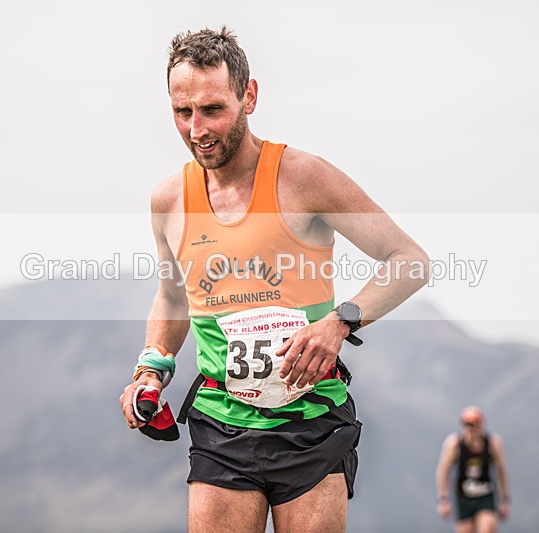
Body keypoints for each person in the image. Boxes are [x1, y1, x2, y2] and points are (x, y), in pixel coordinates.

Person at [119, 27, 428, 533]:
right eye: (182, 112)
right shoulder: (169, 200)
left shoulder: (304, 178)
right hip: (221, 422)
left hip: (310, 422)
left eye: (213, 109)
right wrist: (151, 369)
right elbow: (173, 297)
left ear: (249, 96)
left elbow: (409, 261)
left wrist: (339, 323)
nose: (197, 129)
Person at [435, 406, 510, 533]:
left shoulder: (492, 443)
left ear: (482, 424)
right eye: (468, 424)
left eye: (475, 424)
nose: (471, 428)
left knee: (487, 527)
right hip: (464, 497)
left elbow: (501, 471)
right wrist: (443, 499)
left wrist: (504, 499)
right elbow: (443, 472)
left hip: (485, 495)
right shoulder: (454, 444)